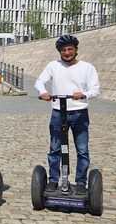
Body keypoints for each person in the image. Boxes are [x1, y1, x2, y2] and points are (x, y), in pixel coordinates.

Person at [35, 34, 100, 194]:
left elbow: (95, 89)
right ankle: (53, 180)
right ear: (59, 52)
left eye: (70, 49)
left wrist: (83, 94)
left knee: (82, 150)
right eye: (63, 50)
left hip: (79, 113)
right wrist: (44, 92)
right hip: (58, 112)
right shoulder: (53, 66)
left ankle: (80, 183)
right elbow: (40, 81)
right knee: (55, 148)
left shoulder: (87, 67)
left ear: (76, 50)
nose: (67, 52)